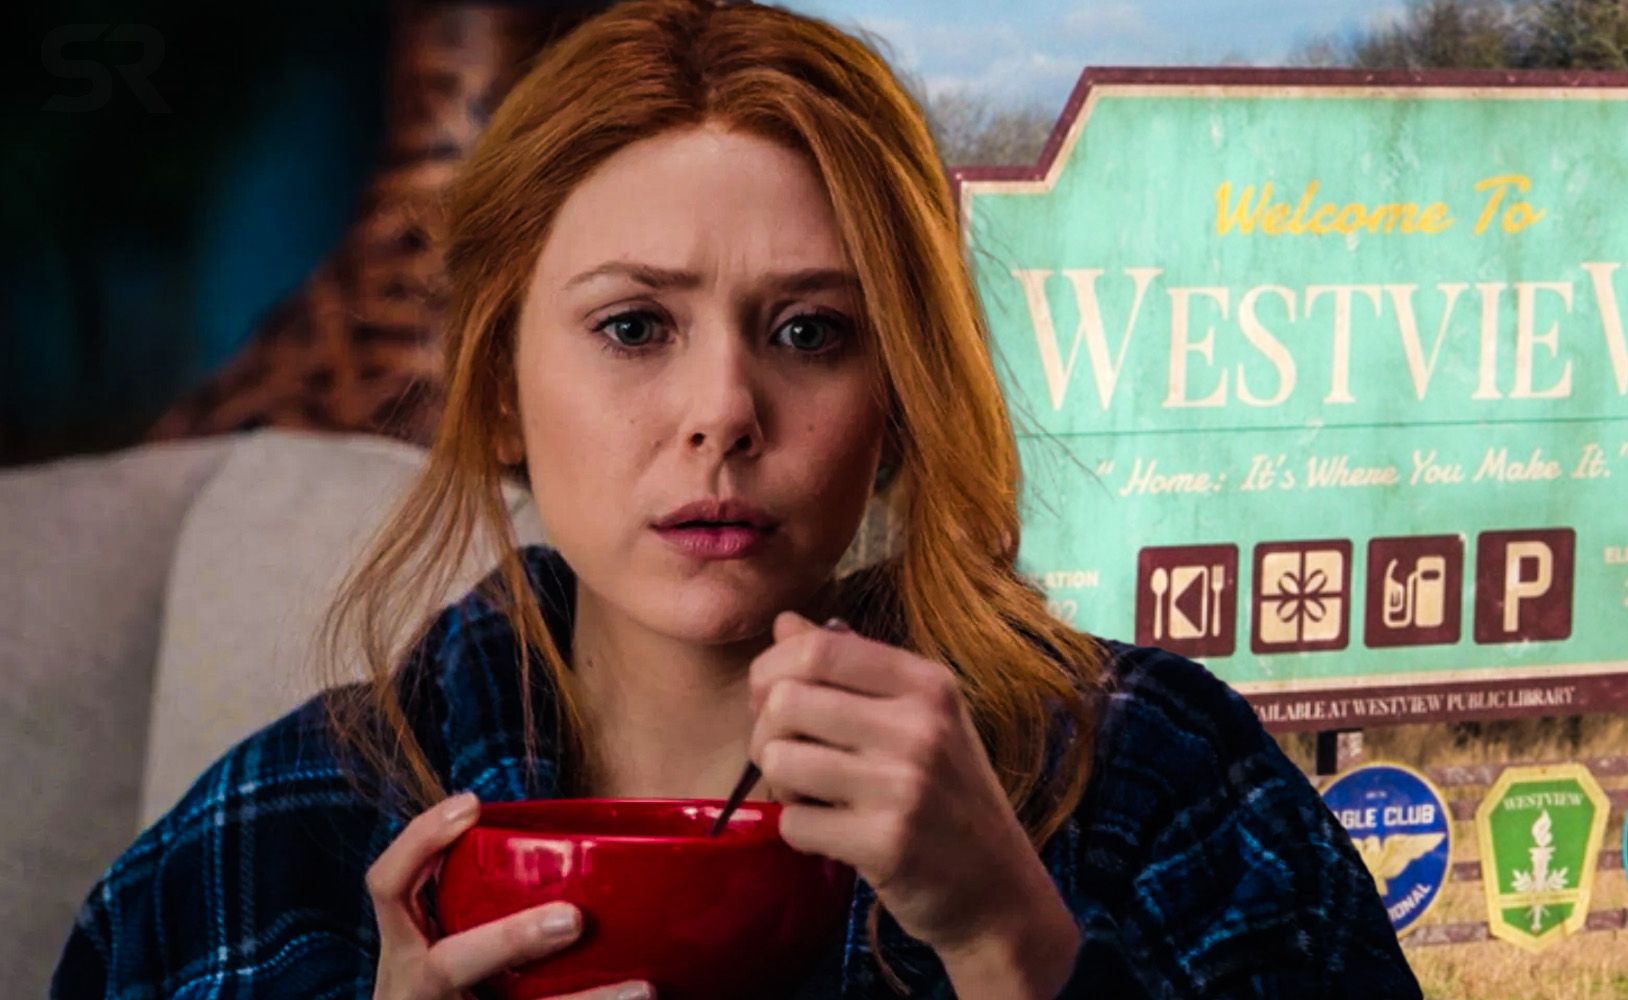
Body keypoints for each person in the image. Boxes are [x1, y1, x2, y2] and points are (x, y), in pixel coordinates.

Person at [49, 1, 1423, 997]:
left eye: (813, 331)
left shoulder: (1154, 783)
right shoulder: (266, 845)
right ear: (506, 387)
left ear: (899, 399)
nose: (723, 410)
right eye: (635, 327)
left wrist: (1017, 946)